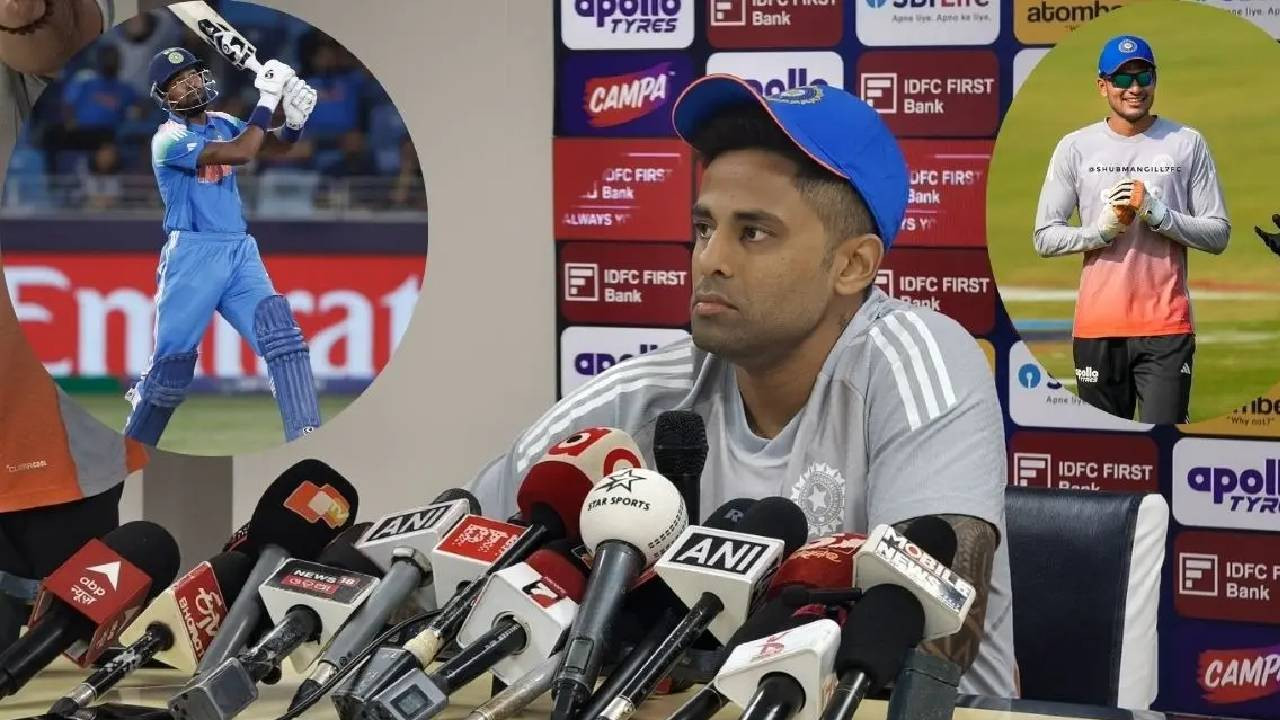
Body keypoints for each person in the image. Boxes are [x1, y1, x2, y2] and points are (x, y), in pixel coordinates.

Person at [469, 76, 1017, 697]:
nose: (710, 259)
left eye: (752, 233)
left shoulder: (919, 359)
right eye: (705, 228)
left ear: (853, 265)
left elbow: (934, 636)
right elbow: (451, 563)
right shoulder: (643, 395)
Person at [122, 46, 323, 445]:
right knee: (170, 374)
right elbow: (242, 152)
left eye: (193, 74)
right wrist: (268, 98)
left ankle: (307, 438)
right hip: (191, 255)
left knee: (283, 341)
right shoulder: (167, 140)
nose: (189, 84)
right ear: (164, 96)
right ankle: (132, 450)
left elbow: (271, 145)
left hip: (239, 250)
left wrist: (294, 123)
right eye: (177, 82)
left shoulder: (224, 122)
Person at [1033, 35, 1230, 424]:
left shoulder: (1186, 143)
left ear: (1155, 80)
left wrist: (1159, 214)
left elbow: (1218, 233)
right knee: (1106, 451)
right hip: (1096, 327)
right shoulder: (1075, 147)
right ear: (1102, 85)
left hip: (1166, 327)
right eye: (1122, 79)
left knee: (1163, 443)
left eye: (1144, 76)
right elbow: (1044, 237)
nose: (1134, 88)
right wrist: (1101, 232)